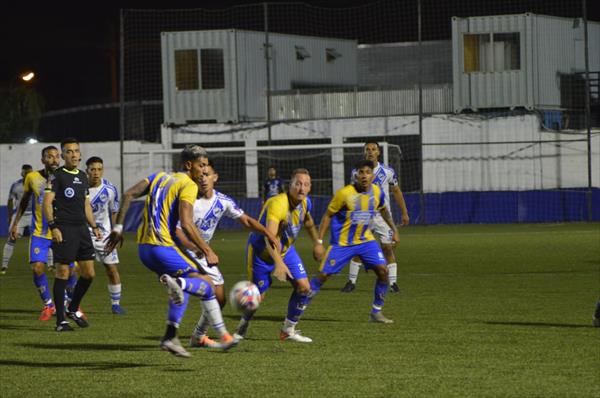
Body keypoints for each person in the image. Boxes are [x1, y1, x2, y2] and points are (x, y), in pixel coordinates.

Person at [105, 145, 238, 357]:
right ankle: (223, 335)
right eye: (201, 165)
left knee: (186, 286)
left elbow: (129, 194)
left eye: (206, 167)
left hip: (144, 250)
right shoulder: (188, 185)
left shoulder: (158, 176)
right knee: (206, 284)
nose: (204, 171)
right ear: (188, 165)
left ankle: (170, 337)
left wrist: (118, 228)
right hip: (162, 247)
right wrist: (206, 249)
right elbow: (186, 223)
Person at [174, 161, 279, 348]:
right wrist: (196, 247)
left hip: (202, 253)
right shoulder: (188, 200)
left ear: (215, 177)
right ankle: (175, 289)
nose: (203, 178)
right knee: (197, 289)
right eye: (200, 175)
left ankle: (198, 336)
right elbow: (178, 231)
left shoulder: (223, 201)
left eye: (207, 174)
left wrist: (268, 233)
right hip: (180, 251)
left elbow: (246, 220)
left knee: (220, 298)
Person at [235, 168, 325, 343]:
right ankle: (243, 325)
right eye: (298, 184)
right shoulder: (278, 203)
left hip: (286, 251)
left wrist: (317, 243)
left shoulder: (306, 203)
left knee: (304, 287)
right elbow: (269, 239)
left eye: (306, 184)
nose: (302, 188)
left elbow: (308, 221)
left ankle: (288, 330)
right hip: (261, 254)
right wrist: (279, 263)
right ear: (289, 186)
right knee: (257, 298)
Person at [308, 159, 399, 324]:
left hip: (366, 241)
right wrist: (319, 242)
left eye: (368, 172)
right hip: (342, 243)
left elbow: (384, 210)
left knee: (383, 271)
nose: (364, 176)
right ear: (356, 175)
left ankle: (376, 312)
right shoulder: (344, 194)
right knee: (322, 276)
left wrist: (394, 230)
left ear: (373, 175)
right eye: (361, 172)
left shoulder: (378, 192)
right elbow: (327, 215)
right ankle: (299, 305)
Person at [44, 138, 103, 332]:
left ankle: (73, 308)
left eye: (76, 151)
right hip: (64, 228)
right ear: (63, 155)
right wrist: (53, 226)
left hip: (81, 230)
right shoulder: (56, 176)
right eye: (69, 151)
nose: (74, 154)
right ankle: (61, 321)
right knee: (63, 273)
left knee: (89, 274)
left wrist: (93, 226)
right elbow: (47, 203)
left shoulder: (83, 176)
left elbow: (86, 205)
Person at [341, 140, 409, 294]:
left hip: (383, 218)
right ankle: (351, 282)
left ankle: (392, 284)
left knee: (388, 248)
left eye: (373, 149)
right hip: (364, 216)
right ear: (364, 152)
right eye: (367, 149)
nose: (370, 152)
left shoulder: (387, 172)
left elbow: (397, 191)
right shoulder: (356, 173)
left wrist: (404, 212)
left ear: (378, 152)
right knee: (358, 249)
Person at [9, 148, 60, 321]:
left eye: (56, 156)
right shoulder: (32, 178)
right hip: (40, 232)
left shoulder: (65, 177)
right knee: (37, 268)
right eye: (49, 157)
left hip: (62, 231)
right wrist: (15, 224)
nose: (54, 160)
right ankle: (49, 304)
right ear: (43, 159)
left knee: (70, 269)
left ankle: (70, 303)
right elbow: (24, 201)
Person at [85, 156, 126, 314]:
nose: (96, 173)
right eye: (93, 169)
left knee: (111, 268)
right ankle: (70, 302)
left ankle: (115, 304)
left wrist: (116, 231)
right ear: (87, 170)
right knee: (76, 269)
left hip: (104, 236)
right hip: (83, 234)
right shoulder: (80, 186)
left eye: (99, 169)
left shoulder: (110, 189)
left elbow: (114, 211)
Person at [2, 164, 33, 274]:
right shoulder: (16, 185)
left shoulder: (37, 184)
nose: (28, 174)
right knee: (12, 238)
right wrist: (10, 217)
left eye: (30, 172)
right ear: (22, 173)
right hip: (20, 215)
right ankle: (4, 266)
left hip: (34, 214)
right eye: (26, 172)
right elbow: (10, 201)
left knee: (44, 238)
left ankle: (51, 265)